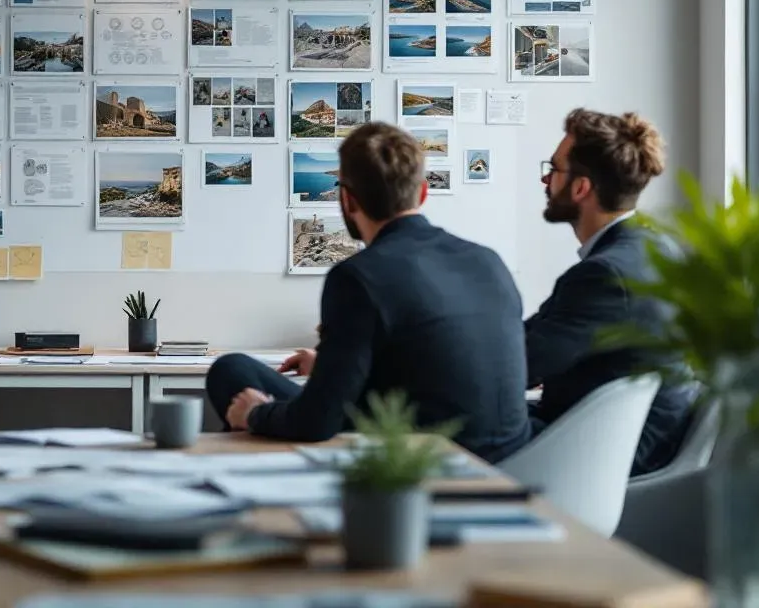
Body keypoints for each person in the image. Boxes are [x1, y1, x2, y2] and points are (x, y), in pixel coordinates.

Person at [205, 122, 531, 463]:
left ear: (347, 199)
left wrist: (255, 415)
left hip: (413, 462)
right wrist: (331, 365)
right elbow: (438, 364)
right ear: (422, 193)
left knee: (231, 371)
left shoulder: (357, 277)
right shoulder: (488, 260)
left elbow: (317, 421)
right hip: (505, 460)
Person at [528, 109, 696, 475]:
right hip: (631, 436)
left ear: (581, 187)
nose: (545, 178)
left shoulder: (605, 274)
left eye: (554, 169)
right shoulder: (655, 246)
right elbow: (542, 337)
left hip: (609, 454)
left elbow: (523, 362)